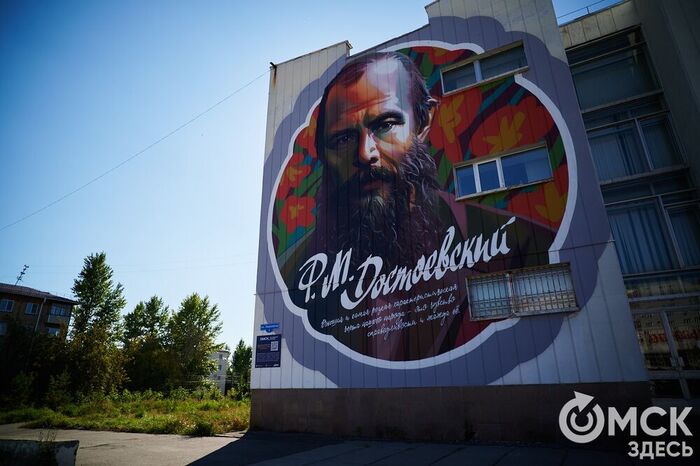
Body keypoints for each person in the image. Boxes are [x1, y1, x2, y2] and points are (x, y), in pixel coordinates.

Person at [284, 51, 555, 361]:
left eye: (386, 124)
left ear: (423, 121)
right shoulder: (295, 275)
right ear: (323, 154)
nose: (365, 153)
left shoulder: (525, 247)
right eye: (343, 139)